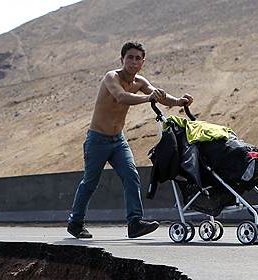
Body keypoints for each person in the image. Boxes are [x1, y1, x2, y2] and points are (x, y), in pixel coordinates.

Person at [67, 41, 193, 239]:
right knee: (90, 182)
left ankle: (134, 223)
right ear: (122, 60)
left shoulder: (140, 82)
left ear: (143, 62)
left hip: (118, 141)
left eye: (138, 58)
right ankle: (75, 222)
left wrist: (179, 101)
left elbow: (158, 95)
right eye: (130, 58)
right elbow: (120, 96)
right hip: (97, 140)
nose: (133, 62)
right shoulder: (112, 77)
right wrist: (147, 98)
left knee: (131, 175)